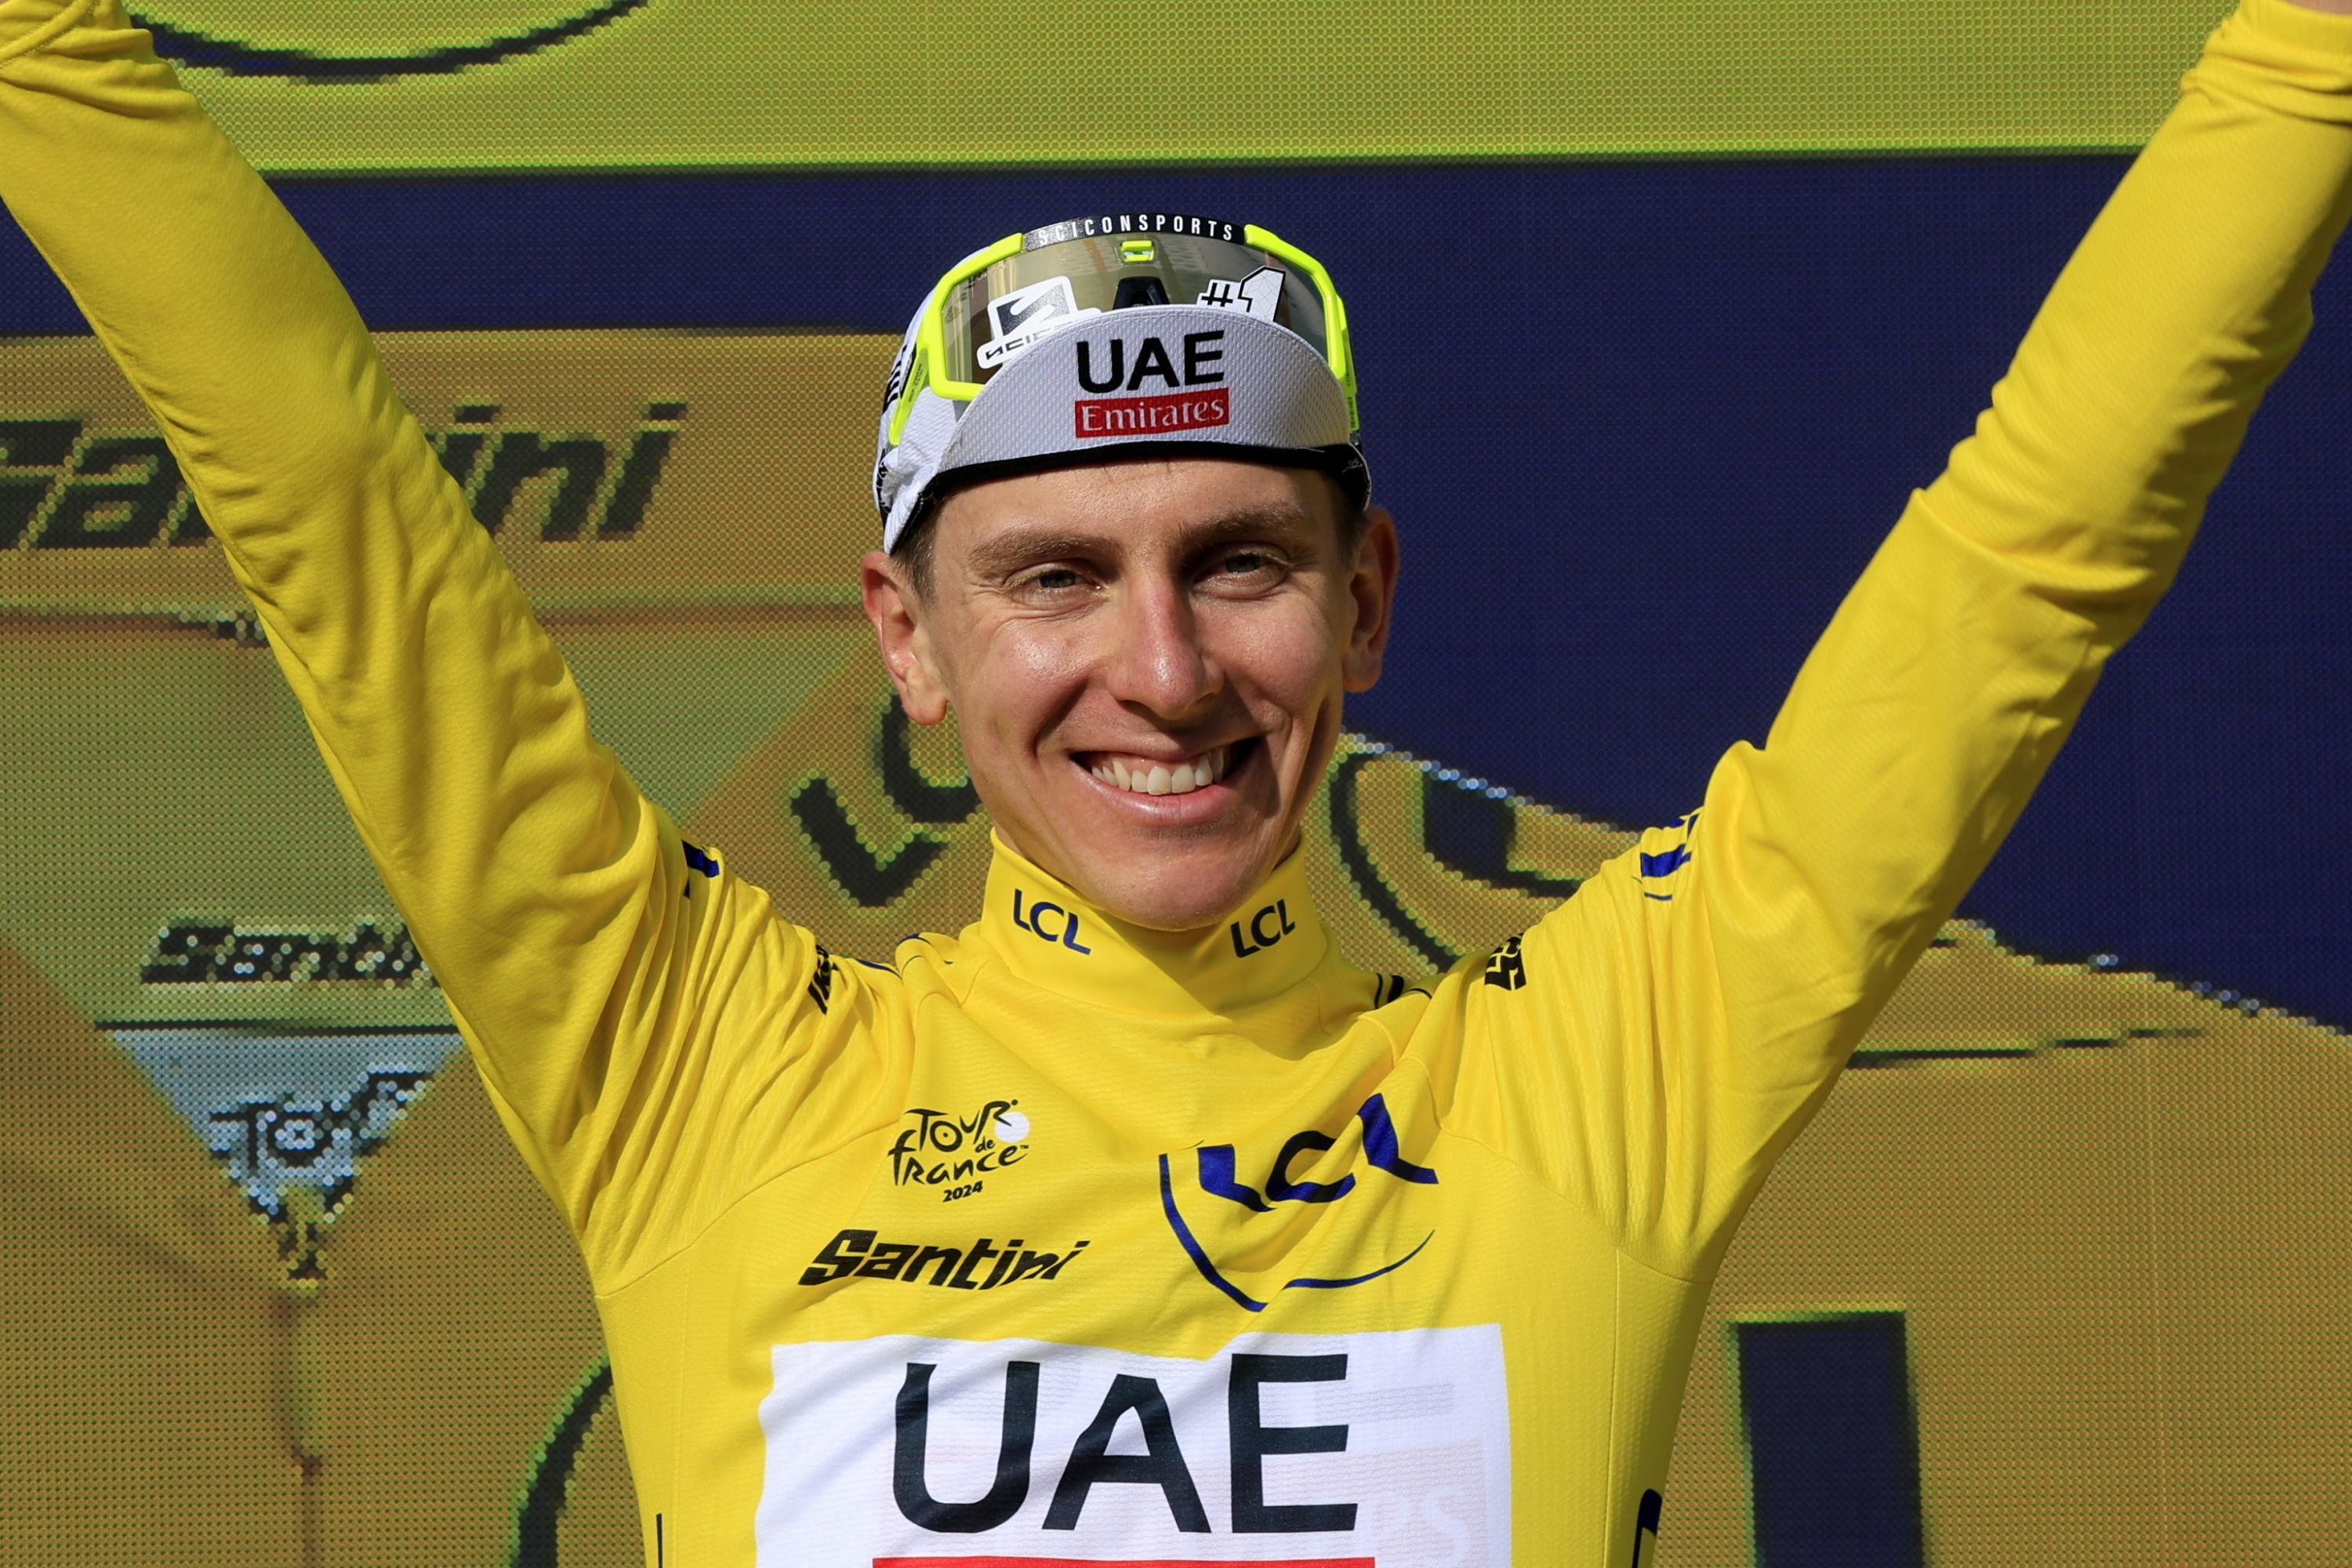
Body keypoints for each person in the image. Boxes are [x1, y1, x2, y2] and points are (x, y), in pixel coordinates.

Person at [8, 0, 2352, 1560]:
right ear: (905, 644)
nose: (1158, 664)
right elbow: (339, 513)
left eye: (1238, 561)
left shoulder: (1602, 1069)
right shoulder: (701, 1072)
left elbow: (2030, 555)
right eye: (1054, 576)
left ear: (1368, 605)